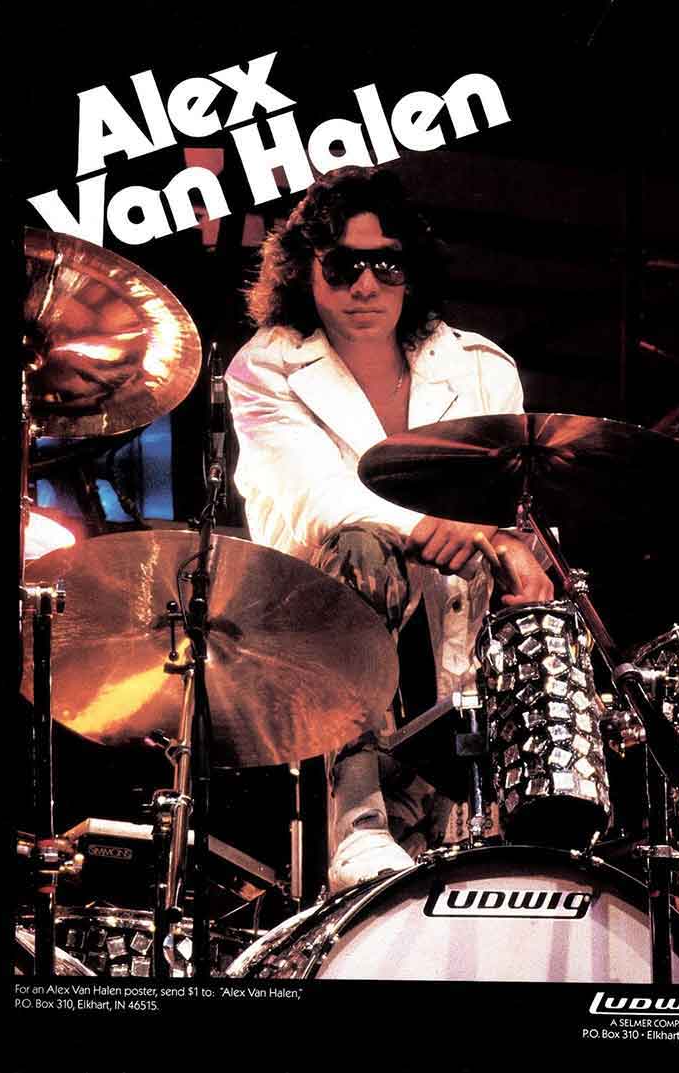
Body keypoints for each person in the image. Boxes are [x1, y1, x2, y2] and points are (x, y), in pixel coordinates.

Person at [226, 165, 553, 892]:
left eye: (387, 264)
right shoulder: (266, 368)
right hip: (321, 655)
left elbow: (505, 508)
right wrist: (444, 527)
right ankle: (357, 817)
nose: (366, 286)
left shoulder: (480, 368)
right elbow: (318, 498)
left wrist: (510, 546)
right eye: (343, 266)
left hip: (454, 652)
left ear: (413, 269)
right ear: (305, 271)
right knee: (359, 545)